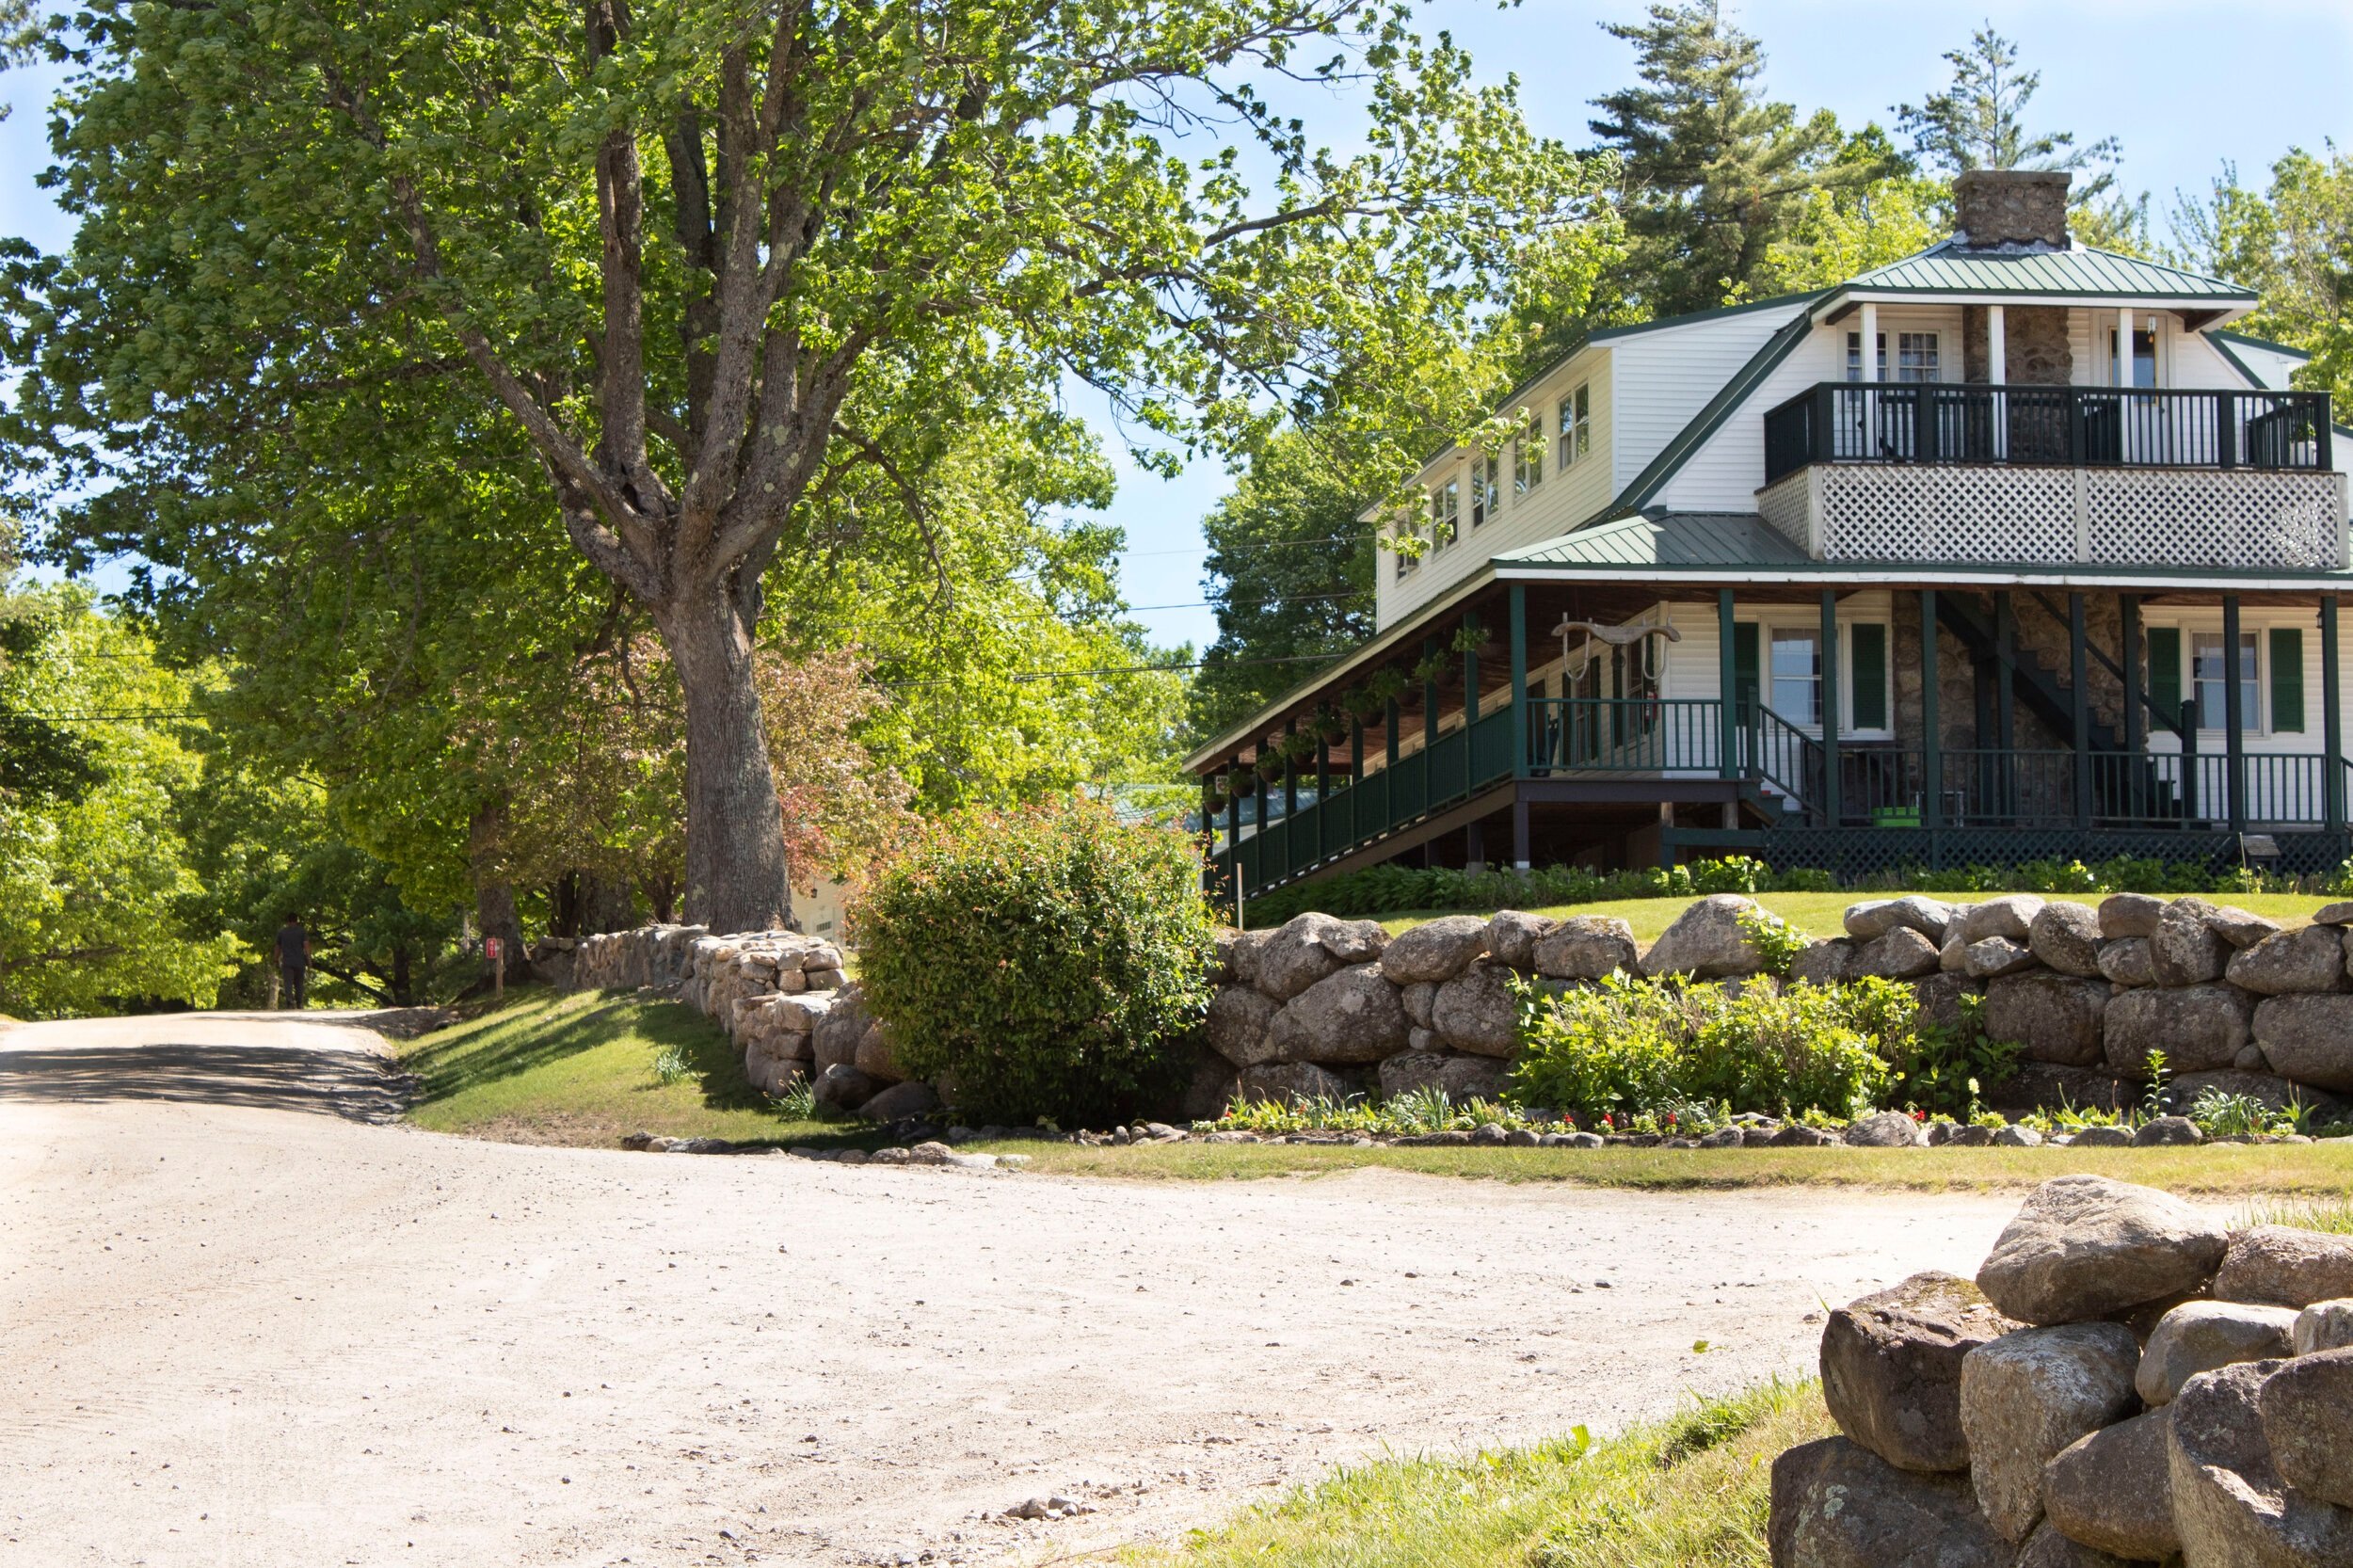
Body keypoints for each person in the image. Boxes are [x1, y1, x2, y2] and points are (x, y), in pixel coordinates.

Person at [275, 913, 310, 1010]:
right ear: (297, 920)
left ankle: (289, 1003)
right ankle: (300, 1003)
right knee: (299, 983)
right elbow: (306, 946)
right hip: (300, 961)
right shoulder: (302, 932)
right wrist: (309, 960)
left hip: (287, 962)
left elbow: (278, 947)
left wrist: (275, 959)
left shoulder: (282, 932)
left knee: (288, 983)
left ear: (287, 921)